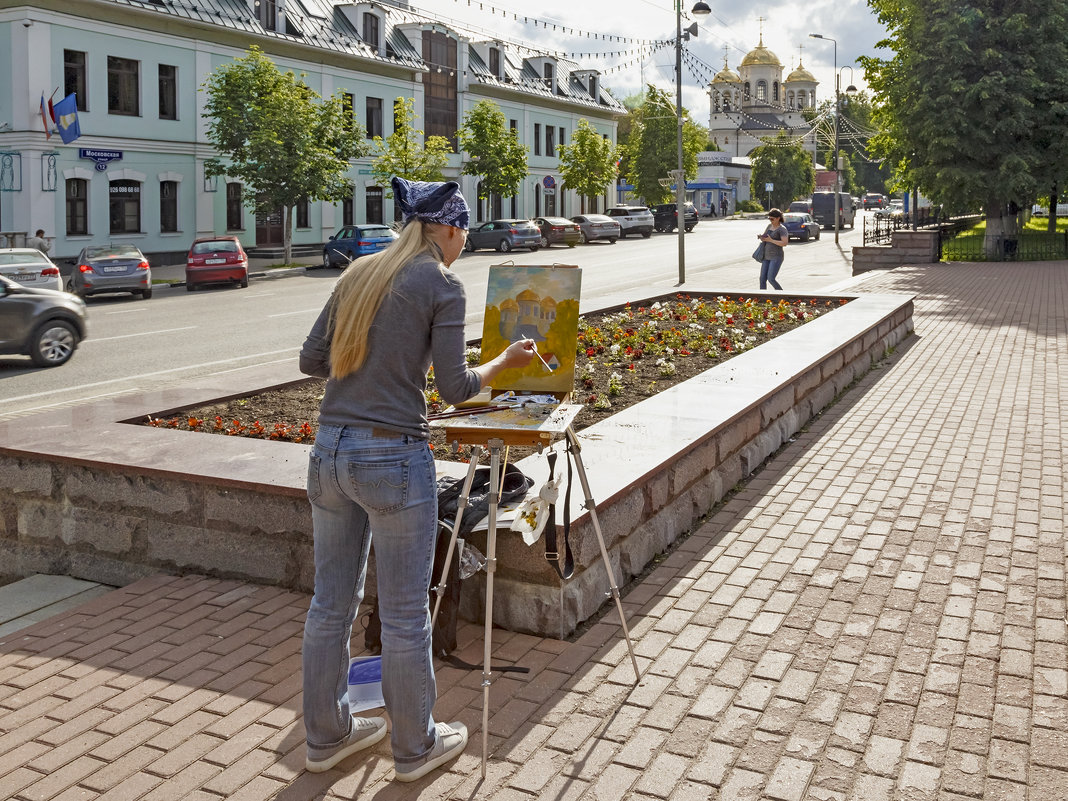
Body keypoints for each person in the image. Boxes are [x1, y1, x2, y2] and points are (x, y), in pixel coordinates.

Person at [298, 177, 536, 782]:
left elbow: (311, 361)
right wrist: (505, 363)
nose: (463, 246)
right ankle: (415, 747)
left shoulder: (359, 273)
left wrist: (370, 361)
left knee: (330, 605)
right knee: (405, 613)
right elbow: (455, 389)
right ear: (449, 230)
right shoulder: (441, 283)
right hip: (391, 458)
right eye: (463, 235)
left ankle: (325, 737)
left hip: (329, 451)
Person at [758, 208, 788, 291]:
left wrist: (771, 240)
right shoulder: (769, 226)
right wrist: (762, 237)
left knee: (771, 278)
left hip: (776, 257)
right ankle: (762, 296)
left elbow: (784, 243)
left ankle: (782, 295)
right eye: (769, 219)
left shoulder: (782, 229)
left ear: (778, 218)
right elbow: (765, 236)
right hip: (766, 256)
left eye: (772, 219)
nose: (770, 221)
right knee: (762, 279)